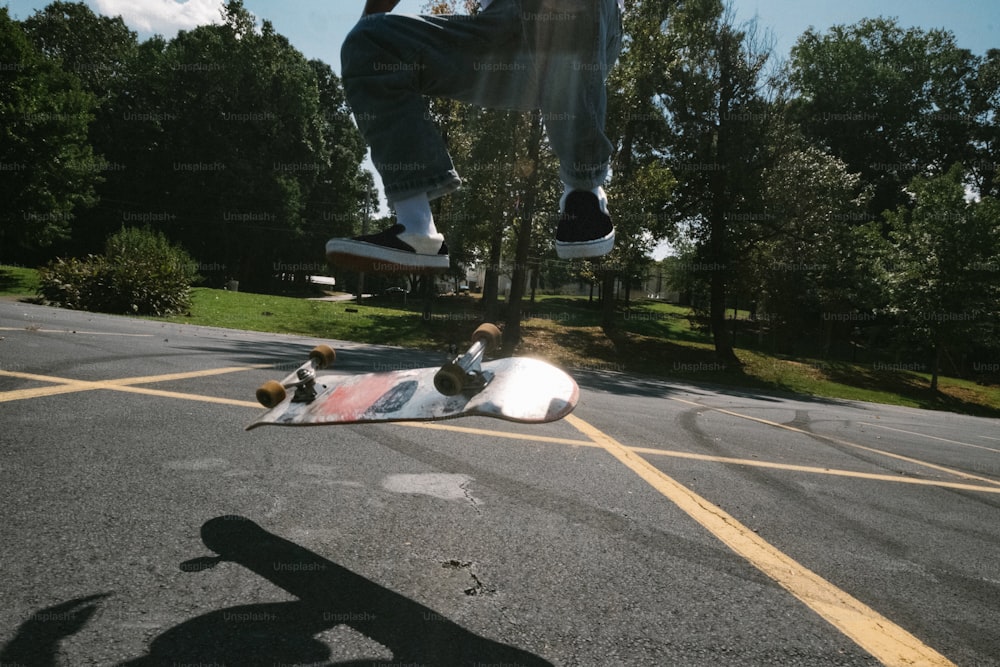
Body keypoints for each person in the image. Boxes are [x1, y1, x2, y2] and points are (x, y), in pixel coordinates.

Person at [328, 0, 624, 272]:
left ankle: (584, 192)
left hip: (585, 31)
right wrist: (368, 45)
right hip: (499, 36)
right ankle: (416, 228)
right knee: (369, 39)